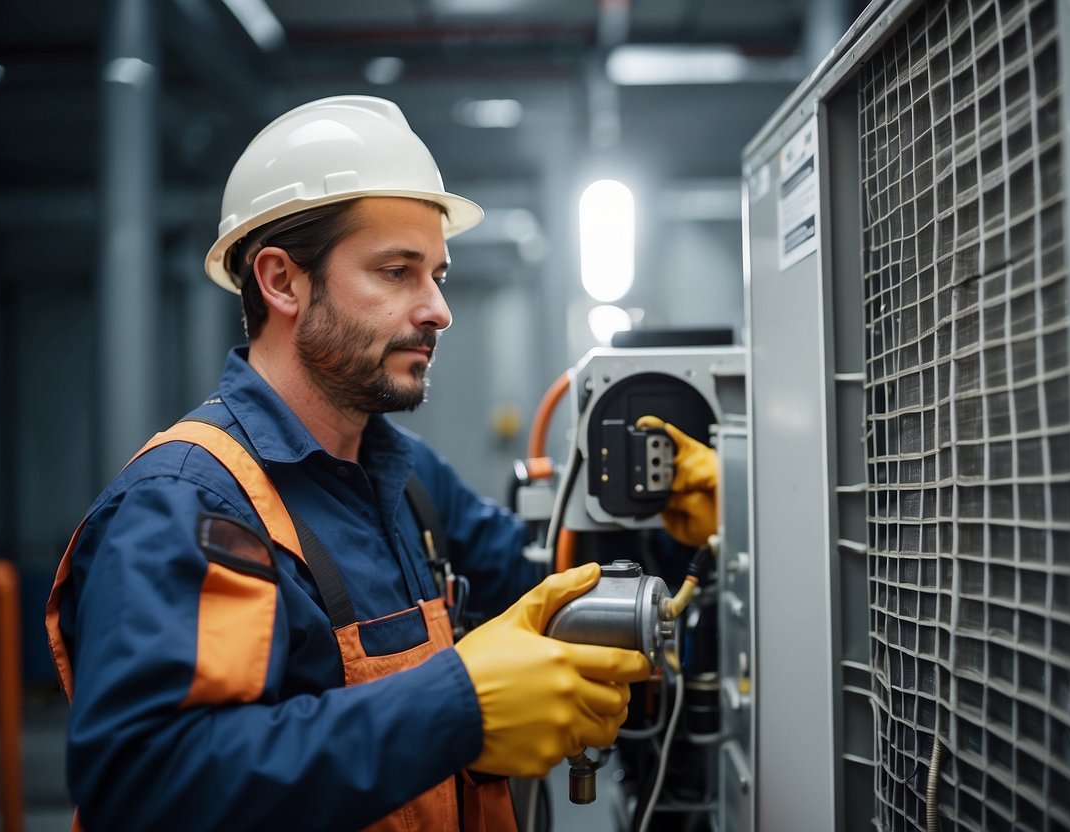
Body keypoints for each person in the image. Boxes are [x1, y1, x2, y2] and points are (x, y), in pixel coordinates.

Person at [44, 96, 661, 831]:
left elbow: (547, 571)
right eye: (397, 271)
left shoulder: (404, 477)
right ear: (282, 282)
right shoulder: (187, 506)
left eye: (436, 273)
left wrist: (674, 521)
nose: (437, 309)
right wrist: (455, 709)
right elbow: (145, 786)